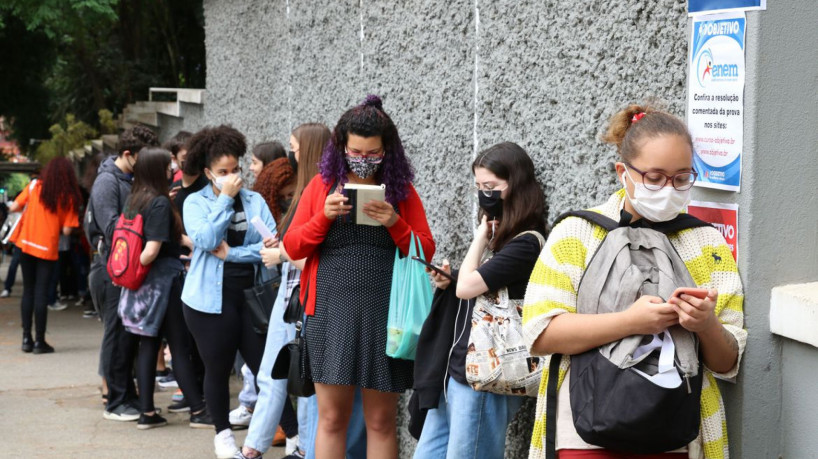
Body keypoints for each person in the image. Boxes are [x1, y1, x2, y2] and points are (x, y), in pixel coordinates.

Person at [522, 104, 747, 459]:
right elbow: (541, 333)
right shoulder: (578, 233)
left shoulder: (706, 244)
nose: (669, 189)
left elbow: (726, 361)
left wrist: (707, 325)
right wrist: (631, 322)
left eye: (682, 178)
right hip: (585, 432)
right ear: (622, 172)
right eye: (654, 178)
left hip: (675, 434)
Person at [283, 95, 435, 459]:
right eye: (356, 152)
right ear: (340, 147)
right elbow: (292, 246)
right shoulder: (321, 186)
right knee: (332, 418)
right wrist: (323, 216)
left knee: (381, 421)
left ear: (387, 151)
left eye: (373, 153)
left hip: (386, 315)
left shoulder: (400, 191)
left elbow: (424, 249)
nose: (363, 160)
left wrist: (394, 222)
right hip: (329, 313)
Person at [237, 122, 368, 459]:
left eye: (294, 147)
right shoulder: (311, 191)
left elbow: (317, 256)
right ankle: (279, 448)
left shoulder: (323, 191)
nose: (290, 153)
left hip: (305, 299)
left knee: (297, 383)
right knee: (290, 380)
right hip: (300, 297)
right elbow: (302, 244)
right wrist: (282, 246)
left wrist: (281, 253)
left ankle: (271, 449)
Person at [411, 142, 548, 459]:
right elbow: (477, 282)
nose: (484, 195)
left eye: (491, 187)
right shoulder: (509, 241)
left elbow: (468, 288)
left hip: (488, 375)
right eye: (479, 187)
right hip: (460, 370)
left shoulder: (527, 242)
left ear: (516, 186)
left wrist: (480, 237)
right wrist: (453, 275)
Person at [181, 125, 278, 459]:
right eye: (223, 172)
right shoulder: (195, 202)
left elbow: (270, 247)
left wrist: (235, 253)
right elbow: (206, 241)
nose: (233, 177)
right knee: (218, 368)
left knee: (266, 368)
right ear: (208, 172)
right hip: (208, 300)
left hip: (250, 295)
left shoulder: (255, 201)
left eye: (236, 170)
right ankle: (222, 436)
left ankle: (294, 435)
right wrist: (223, 200)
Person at [86, 125, 159, 421]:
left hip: (125, 271)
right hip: (110, 270)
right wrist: (148, 218)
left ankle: (126, 397)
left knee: (126, 337)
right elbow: (113, 227)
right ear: (128, 155)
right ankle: (115, 402)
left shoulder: (127, 178)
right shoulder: (107, 182)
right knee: (116, 337)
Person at [9, 157, 82, 353]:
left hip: (25, 244)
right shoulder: (68, 197)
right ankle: (40, 342)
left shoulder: (34, 187)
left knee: (28, 291)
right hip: (47, 248)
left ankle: (26, 339)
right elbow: (67, 231)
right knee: (41, 293)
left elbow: (14, 206)